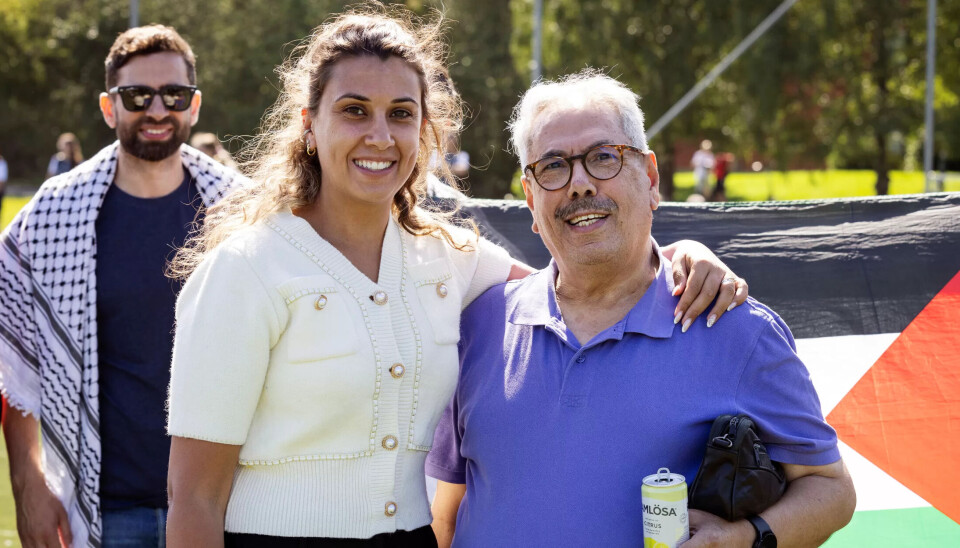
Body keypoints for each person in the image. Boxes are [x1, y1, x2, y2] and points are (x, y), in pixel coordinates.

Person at [164, 9, 746, 547]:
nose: (380, 135)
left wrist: (680, 254)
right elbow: (193, 497)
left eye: (401, 114)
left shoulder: (448, 259)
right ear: (308, 125)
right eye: (354, 110)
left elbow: (577, 277)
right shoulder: (244, 270)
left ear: (425, 132)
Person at [426, 71, 856, 548]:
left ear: (650, 178)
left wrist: (743, 538)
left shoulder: (735, 326)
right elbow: (448, 515)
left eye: (603, 157)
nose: (580, 184)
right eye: (552, 167)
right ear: (530, 198)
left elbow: (831, 489)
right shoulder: (479, 325)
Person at [0, 25, 246, 547]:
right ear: (110, 108)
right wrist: (28, 484)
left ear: (194, 105)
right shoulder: (52, 215)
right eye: (137, 96)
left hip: (230, 503)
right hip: (109, 511)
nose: (157, 110)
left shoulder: (244, 210)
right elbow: (16, 358)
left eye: (173, 95)